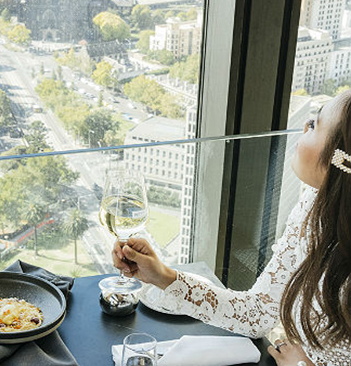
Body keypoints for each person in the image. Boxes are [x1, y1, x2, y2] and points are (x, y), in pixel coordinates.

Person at [113, 90, 351, 366]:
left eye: (315, 124)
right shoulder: (314, 205)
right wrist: (161, 275)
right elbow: (258, 312)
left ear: (341, 160)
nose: (304, 126)